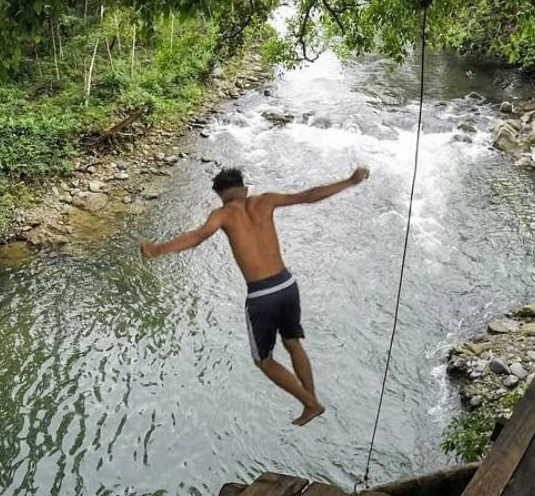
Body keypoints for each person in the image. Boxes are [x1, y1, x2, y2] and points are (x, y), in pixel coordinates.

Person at [138, 165, 370, 425]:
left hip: (262, 295)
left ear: (220, 194)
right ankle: (311, 402)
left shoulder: (222, 214)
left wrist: (159, 249)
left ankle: (311, 403)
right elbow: (307, 195)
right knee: (293, 343)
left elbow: (198, 236)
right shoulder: (266, 200)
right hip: (287, 284)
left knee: (264, 360)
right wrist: (349, 181)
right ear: (244, 188)